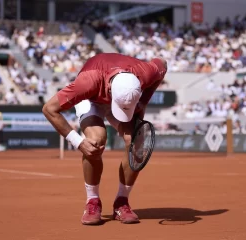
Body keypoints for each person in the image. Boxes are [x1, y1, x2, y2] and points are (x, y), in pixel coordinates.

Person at [42, 53, 167, 225]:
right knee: (96, 141)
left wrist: (143, 101)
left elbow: (163, 64)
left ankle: (121, 202)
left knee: (137, 141)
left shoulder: (145, 73)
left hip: (121, 96)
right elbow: (49, 109)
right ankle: (92, 201)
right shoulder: (87, 82)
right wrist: (78, 142)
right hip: (91, 99)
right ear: (109, 89)